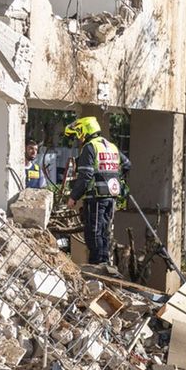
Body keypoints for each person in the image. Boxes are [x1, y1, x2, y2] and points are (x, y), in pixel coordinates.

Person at [64, 116, 129, 274]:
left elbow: (85, 176)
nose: (78, 139)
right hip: (110, 196)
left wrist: (73, 197)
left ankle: (97, 265)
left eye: (78, 134)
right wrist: (113, 177)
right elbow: (127, 164)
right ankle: (105, 262)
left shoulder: (90, 147)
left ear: (84, 131)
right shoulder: (111, 146)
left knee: (93, 231)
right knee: (105, 230)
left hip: (96, 197)